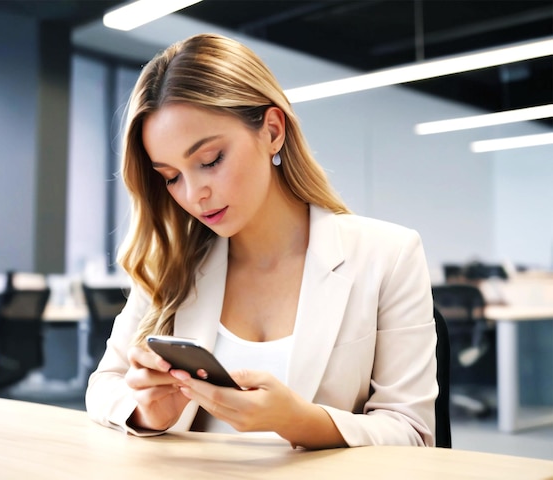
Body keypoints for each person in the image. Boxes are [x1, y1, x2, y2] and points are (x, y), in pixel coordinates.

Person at [86, 32, 437, 450]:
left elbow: (413, 434)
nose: (193, 193)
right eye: (171, 177)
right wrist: (147, 412)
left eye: (210, 160)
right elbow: (104, 384)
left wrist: (300, 421)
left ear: (272, 130)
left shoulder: (389, 256)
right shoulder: (173, 262)